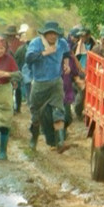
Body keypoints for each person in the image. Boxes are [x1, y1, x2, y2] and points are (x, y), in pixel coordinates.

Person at [25, 21, 71, 153]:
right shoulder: (36, 43)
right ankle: (34, 139)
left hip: (56, 81)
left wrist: (66, 64)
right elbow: (28, 58)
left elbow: (66, 53)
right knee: (36, 114)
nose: (52, 36)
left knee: (59, 110)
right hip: (39, 83)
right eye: (50, 34)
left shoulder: (62, 43)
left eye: (55, 34)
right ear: (44, 34)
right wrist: (45, 53)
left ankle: (60, 142)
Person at [4, 24, 24, 113]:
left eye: (12, 35)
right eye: (9, 35)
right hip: (6, 67)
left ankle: (17, 107)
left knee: (17, 87)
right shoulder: (3, 42)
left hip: (17, 66)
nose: (10, 37)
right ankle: (10, 107)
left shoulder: (19, 42)